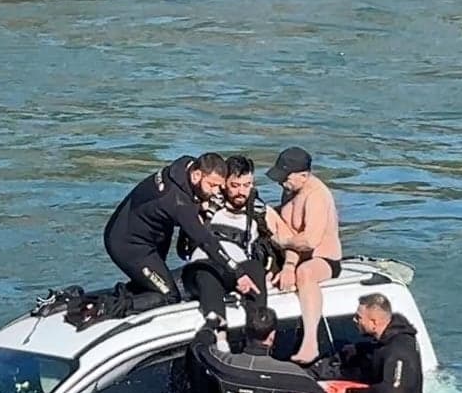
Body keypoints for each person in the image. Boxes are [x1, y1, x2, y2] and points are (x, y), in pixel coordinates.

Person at [103, 153, 260, 313]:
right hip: (128, 245)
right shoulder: (178, 203)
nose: (215, 192)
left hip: (140, 231)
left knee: (148, 284)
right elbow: (207, 242)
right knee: (170, 296)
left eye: (219, 186)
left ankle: (123, 296)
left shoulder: (186, 165)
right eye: (211, 185)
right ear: (196, 175)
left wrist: (199, 204)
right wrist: (238, 273)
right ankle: (106, 308)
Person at [190, 307, 336, 393]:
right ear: (272, 336)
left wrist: (211, 323)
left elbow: (198, 346)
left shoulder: (224, 364)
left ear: (245, 332)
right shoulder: (291, 374)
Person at [179, 155, 286, 324]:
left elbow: (287, 241)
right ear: (223, 183)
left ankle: (258, 331)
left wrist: (288, 268)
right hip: (205, 269)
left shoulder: (260, 212)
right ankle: (216, 333)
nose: (241, 192)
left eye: (247, 185)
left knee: (255, 268)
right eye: (235, 186)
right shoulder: (204, 205)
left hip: (240, 274)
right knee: (208, 274)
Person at [264, 146, 343, 364]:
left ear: (303, 175)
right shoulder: (290, 189)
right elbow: (289, 230)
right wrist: (288, 265)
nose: (281, 183)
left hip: (322, 259)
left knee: (306, 273)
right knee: (265, 212)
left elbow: (309, 241)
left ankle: (311, 342)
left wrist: (283, 243)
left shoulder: (316, 195)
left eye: (285, 178)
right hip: (294, 254)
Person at [331, 293, 426, 393]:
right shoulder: (383, 342)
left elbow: (393, 392)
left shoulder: (397, 348)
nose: (354, 320)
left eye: (359, 317)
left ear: (374, 322)